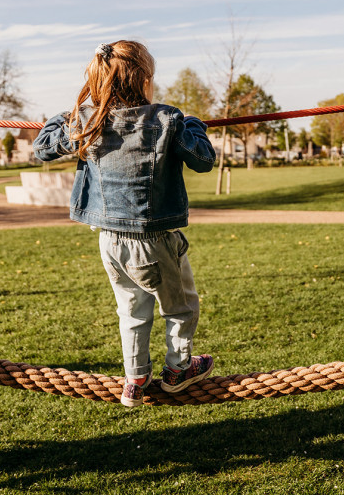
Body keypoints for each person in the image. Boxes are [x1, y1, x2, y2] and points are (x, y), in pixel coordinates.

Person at [33, 40, 217, 407]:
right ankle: (179, 369)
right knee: (180, 308)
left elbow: (43, 148)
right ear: (145, 79)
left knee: (131, 310)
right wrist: (193, 123)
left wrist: (65, 117)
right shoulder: (168, 121)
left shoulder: (88, 122)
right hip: (155, 240)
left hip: (109, 241)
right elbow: (203, 158)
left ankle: (135, 378)